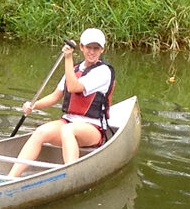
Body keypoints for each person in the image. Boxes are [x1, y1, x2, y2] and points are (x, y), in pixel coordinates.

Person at [8, 28, 115, 178]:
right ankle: (11, 177)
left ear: (102, 50)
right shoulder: (74, 69)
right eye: (88, 47)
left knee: (68, 130)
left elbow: (73, 87)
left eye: (96, 48)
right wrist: (33, 105)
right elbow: (55, 96)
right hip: (69, 122)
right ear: (82, 47)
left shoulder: (103, 72)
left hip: (93, 129)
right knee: (40, 132)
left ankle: (71, 176)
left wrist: (68, 58)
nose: (92, 52)